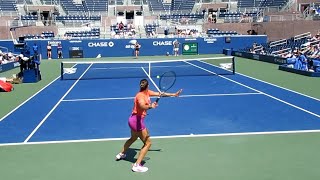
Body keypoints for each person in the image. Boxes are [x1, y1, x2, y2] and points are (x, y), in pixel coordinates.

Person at [115, 79, 182, 173]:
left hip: (133, 120)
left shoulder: (147, 93)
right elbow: (142, 106)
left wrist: (174, 94)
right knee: (148, 143)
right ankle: (136, 165)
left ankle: (121, 154)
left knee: (133, 138)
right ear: (148, 85)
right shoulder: (140, 96)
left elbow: (160, 94)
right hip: (137, 122)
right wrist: (151, 106)